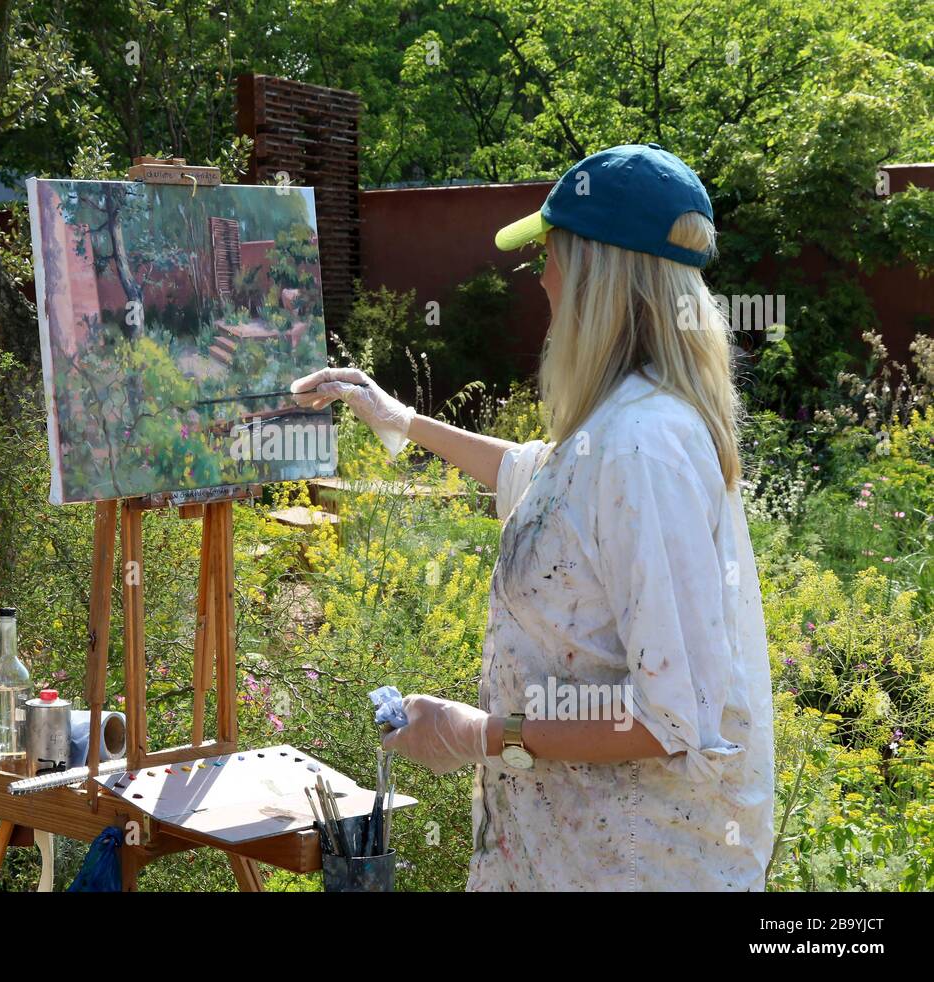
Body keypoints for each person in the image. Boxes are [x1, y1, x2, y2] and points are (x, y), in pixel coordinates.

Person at [291, 144, 773, 891]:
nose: (540, 277)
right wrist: (399, 417)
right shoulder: (624, 424)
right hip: (585, 852)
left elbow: (674, 720)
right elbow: (540, 477)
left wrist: (480, 735)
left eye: (548, 255)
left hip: (636, 868)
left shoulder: (643, 446)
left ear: (592, 273)